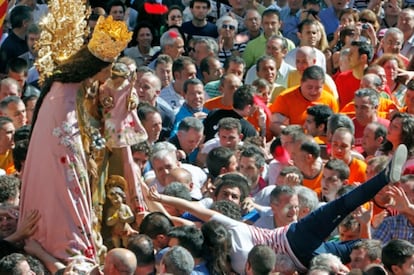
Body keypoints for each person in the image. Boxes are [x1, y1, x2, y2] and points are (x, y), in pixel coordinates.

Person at [148, 144, 408, 274]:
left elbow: (191, 224)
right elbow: (195, 213)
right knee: (341, 206)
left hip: (304, 260)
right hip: (297, 237)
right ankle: (384, 178)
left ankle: (392, 265)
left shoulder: (233, 264)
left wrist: (165, 211)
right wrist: (160, 198)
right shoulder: (235, 227)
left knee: (355, 250)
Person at [18, 16, 134, 263]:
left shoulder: (85, 86)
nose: (110, 72)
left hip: (86, 159)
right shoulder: (67, 90)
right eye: (108, 66)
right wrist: (82, 164)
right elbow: (66, 136)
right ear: (95, 66)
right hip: (63, 164)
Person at [105, 179, 135, 248]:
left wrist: (124, 219)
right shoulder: (111, 210)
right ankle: (117, 249)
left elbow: (132, 218)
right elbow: (108, 222)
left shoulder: (125, 207)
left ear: (122, 197)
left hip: (125, 230)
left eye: (116, 198)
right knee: (115, 241)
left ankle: (126, 249)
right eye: (112, 199)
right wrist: (115, 219)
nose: (115, 201)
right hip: (116, 231)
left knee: (126, 242)